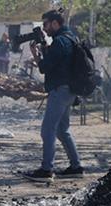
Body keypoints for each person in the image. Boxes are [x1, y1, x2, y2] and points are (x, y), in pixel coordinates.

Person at [22, 10, 84, 182]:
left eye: (46, 24)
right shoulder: (71, 38)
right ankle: (76, 166)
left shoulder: (60, 41)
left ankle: (46, 170)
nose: (44, 28)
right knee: (62, 130)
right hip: (70, 90)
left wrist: (35, 53)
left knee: (48, 129)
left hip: (60, 90)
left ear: (56, 23)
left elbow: (44, 67)